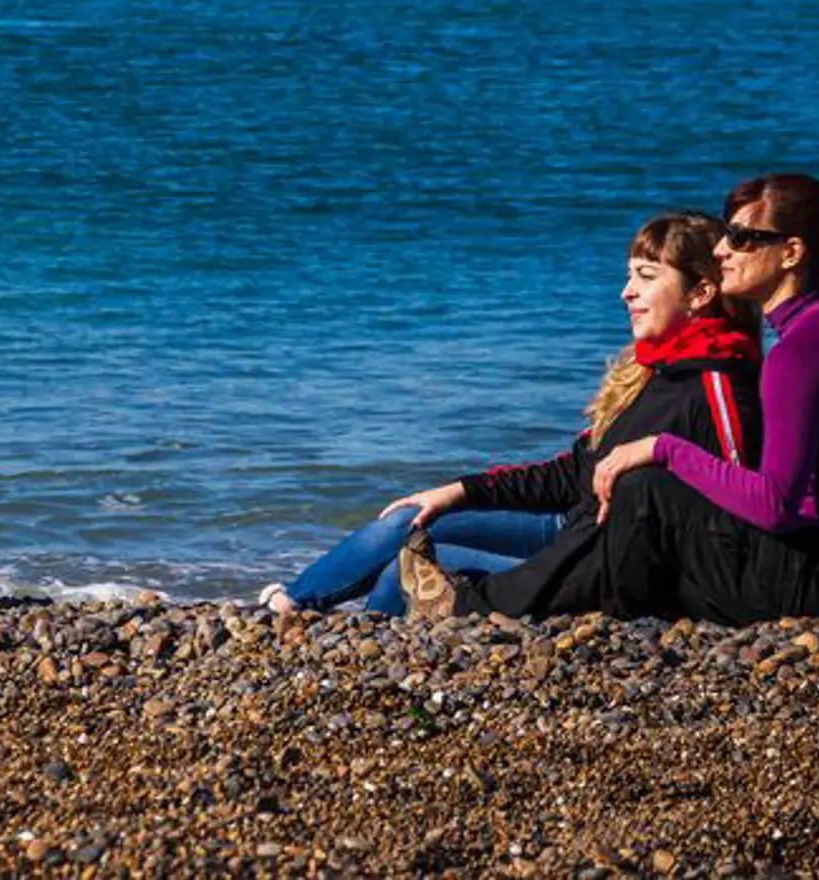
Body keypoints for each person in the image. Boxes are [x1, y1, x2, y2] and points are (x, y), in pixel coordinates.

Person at [398, 173, 819, 628]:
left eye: (740, 239)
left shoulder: (801, 351)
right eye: (725, 234)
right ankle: (542, 607)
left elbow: (774, 507)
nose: (721, 251)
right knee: (643, 498)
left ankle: (471, 608)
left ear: (791, 252)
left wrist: (663, 448)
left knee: (646, 487)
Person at [261, 211, 761, 617]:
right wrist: (458, 491)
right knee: (411, 518)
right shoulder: (648, 368)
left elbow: (737, 507)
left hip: (595, 559)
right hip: (568, 528)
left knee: (407, 566)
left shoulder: (718, 385)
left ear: (700, 292)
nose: (625, 292)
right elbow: (571, 473)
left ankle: (361, 649)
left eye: (646, 277)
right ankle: (293, 604)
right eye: (628, 275)